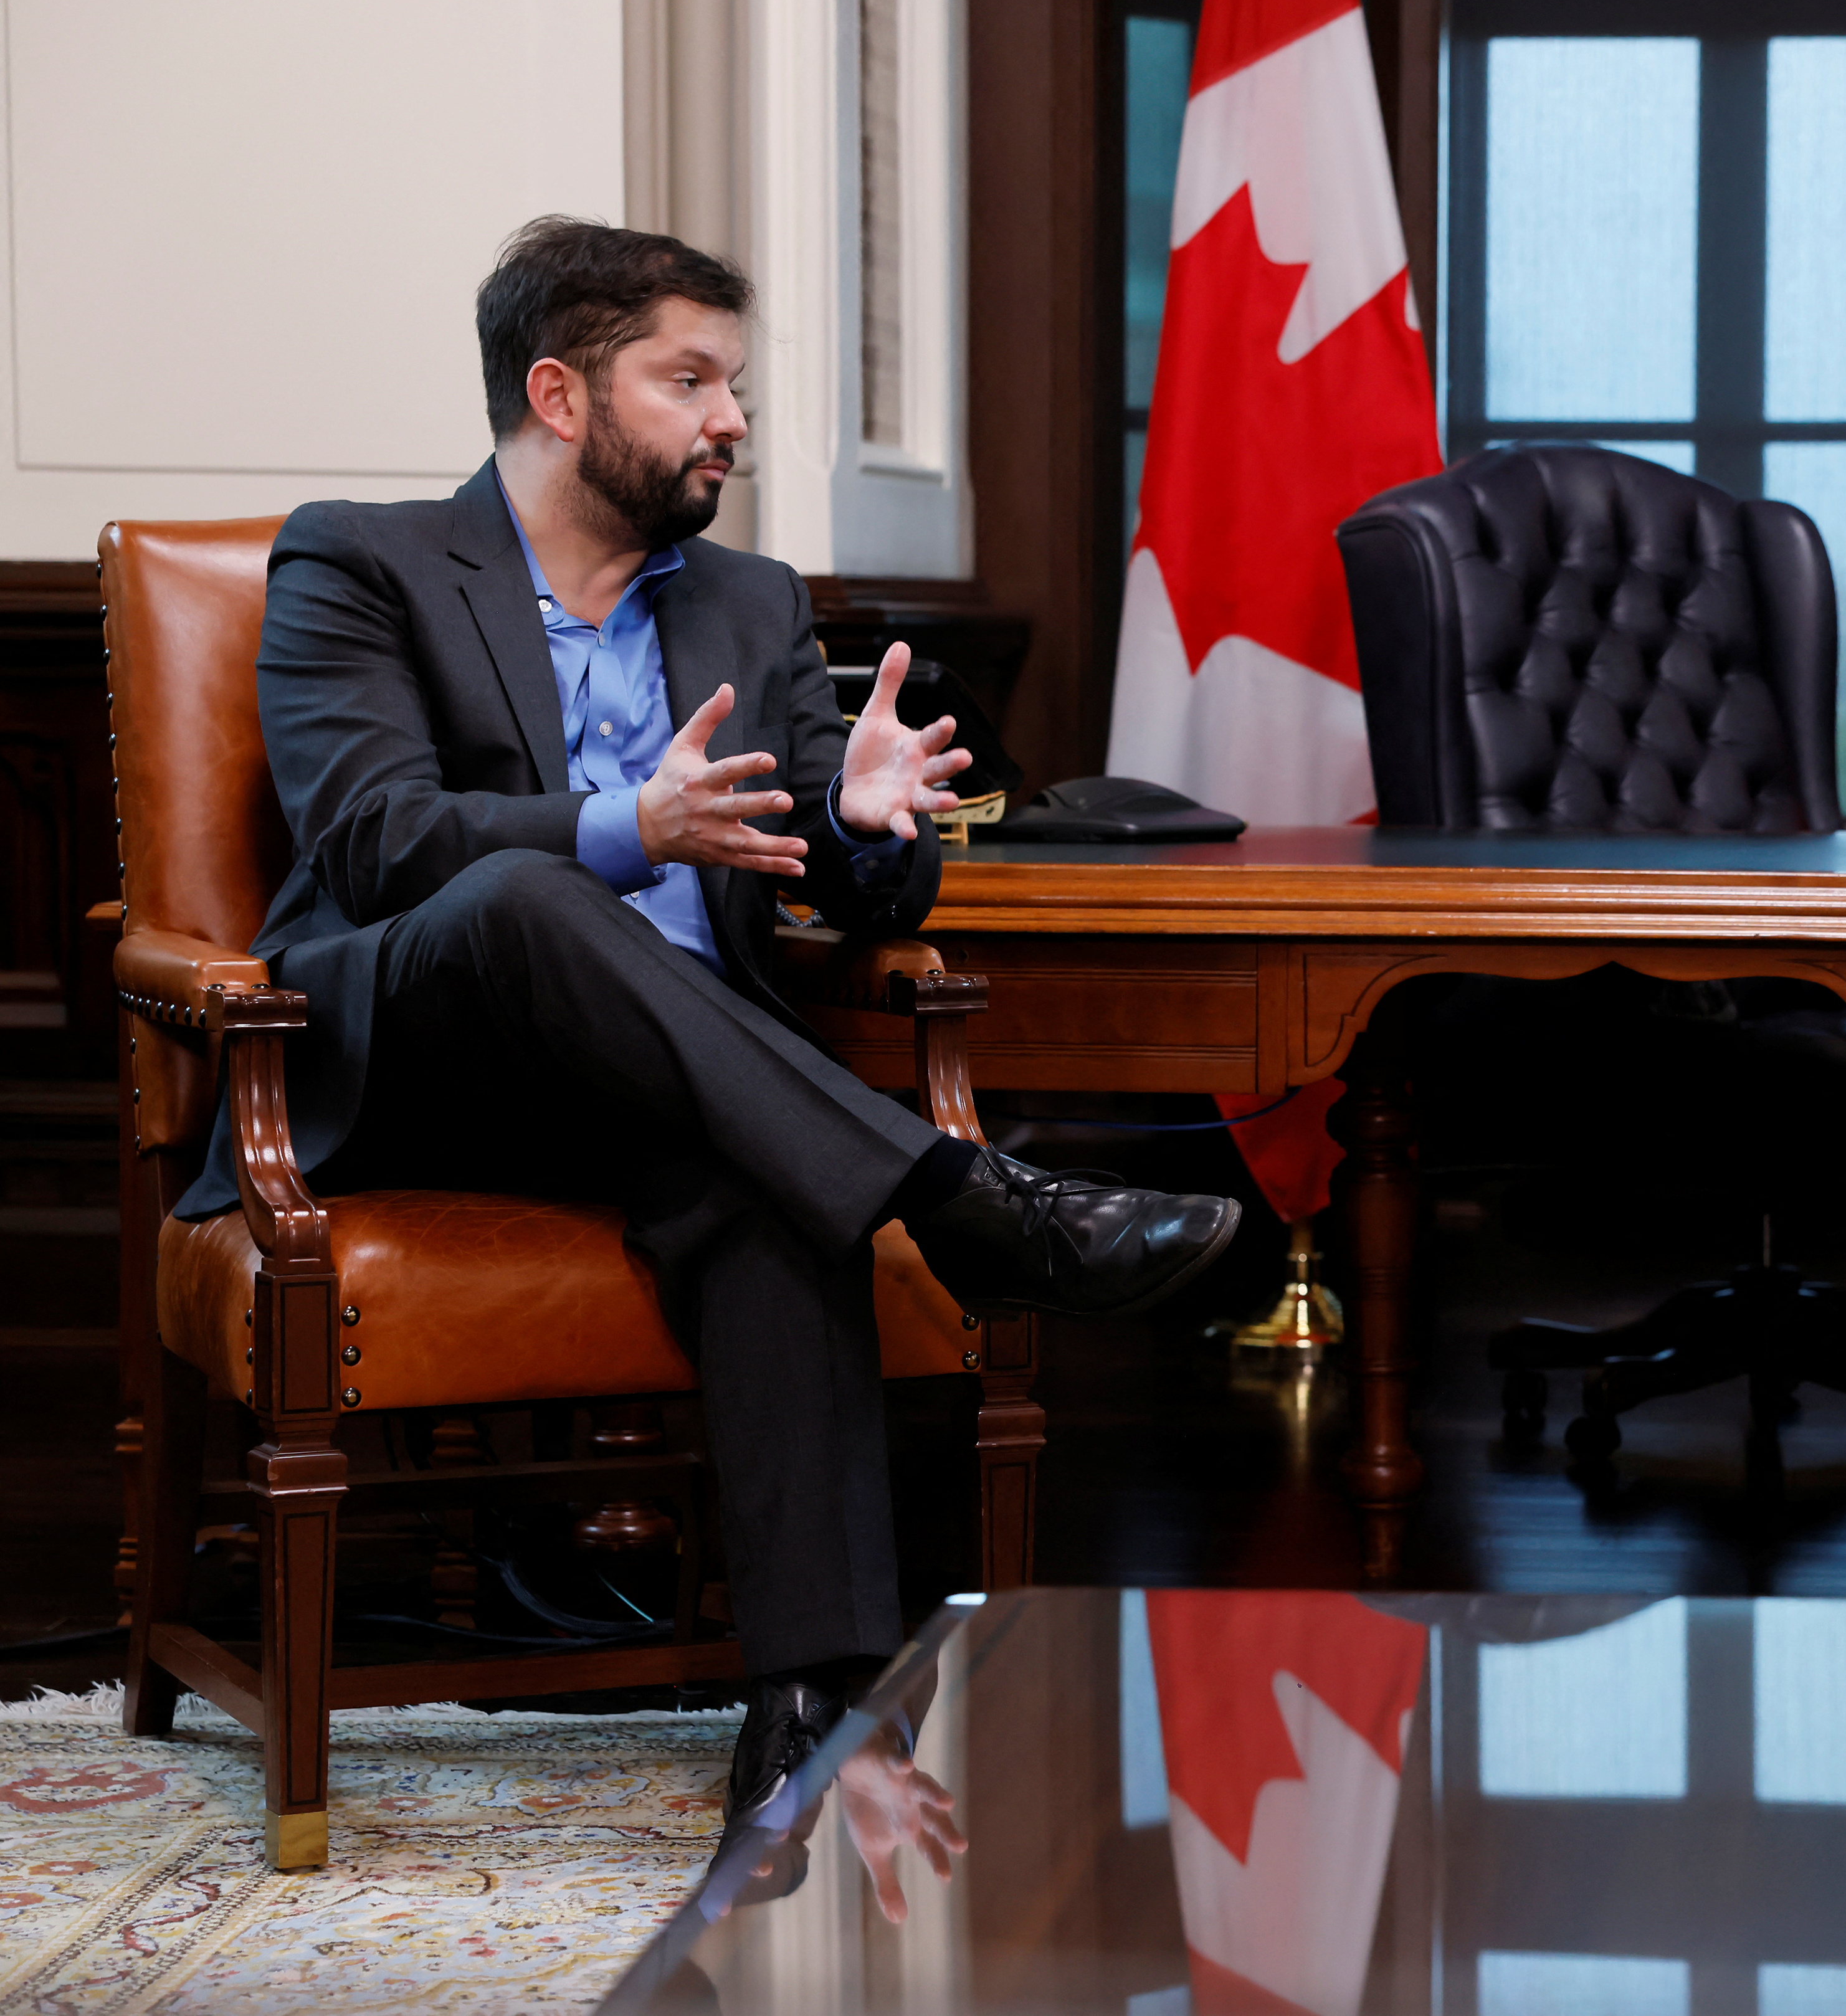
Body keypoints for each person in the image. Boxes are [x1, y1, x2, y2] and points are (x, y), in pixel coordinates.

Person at [187, 216, 1245, 1851]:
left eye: (733, 383)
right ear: (559, 393)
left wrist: (875, 825)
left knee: (771, 1173)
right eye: (689, 379)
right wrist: (626, 826)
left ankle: (814, 1701)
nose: (731, 419)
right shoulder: (363, 561)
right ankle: (971, 1204)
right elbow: (378, 839)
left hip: (680, 1083)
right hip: (431, 1066)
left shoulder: (753, 603)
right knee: (551, 899)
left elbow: (854, 897)